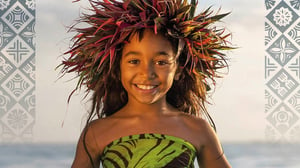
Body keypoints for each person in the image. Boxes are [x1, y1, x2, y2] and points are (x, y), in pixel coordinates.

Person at [59, 0, 233, 167]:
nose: (147, 73)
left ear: (178, 70)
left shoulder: (197, 128)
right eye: (134, 61)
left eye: (161, 62)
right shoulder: (96, 132)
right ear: (118, 68)